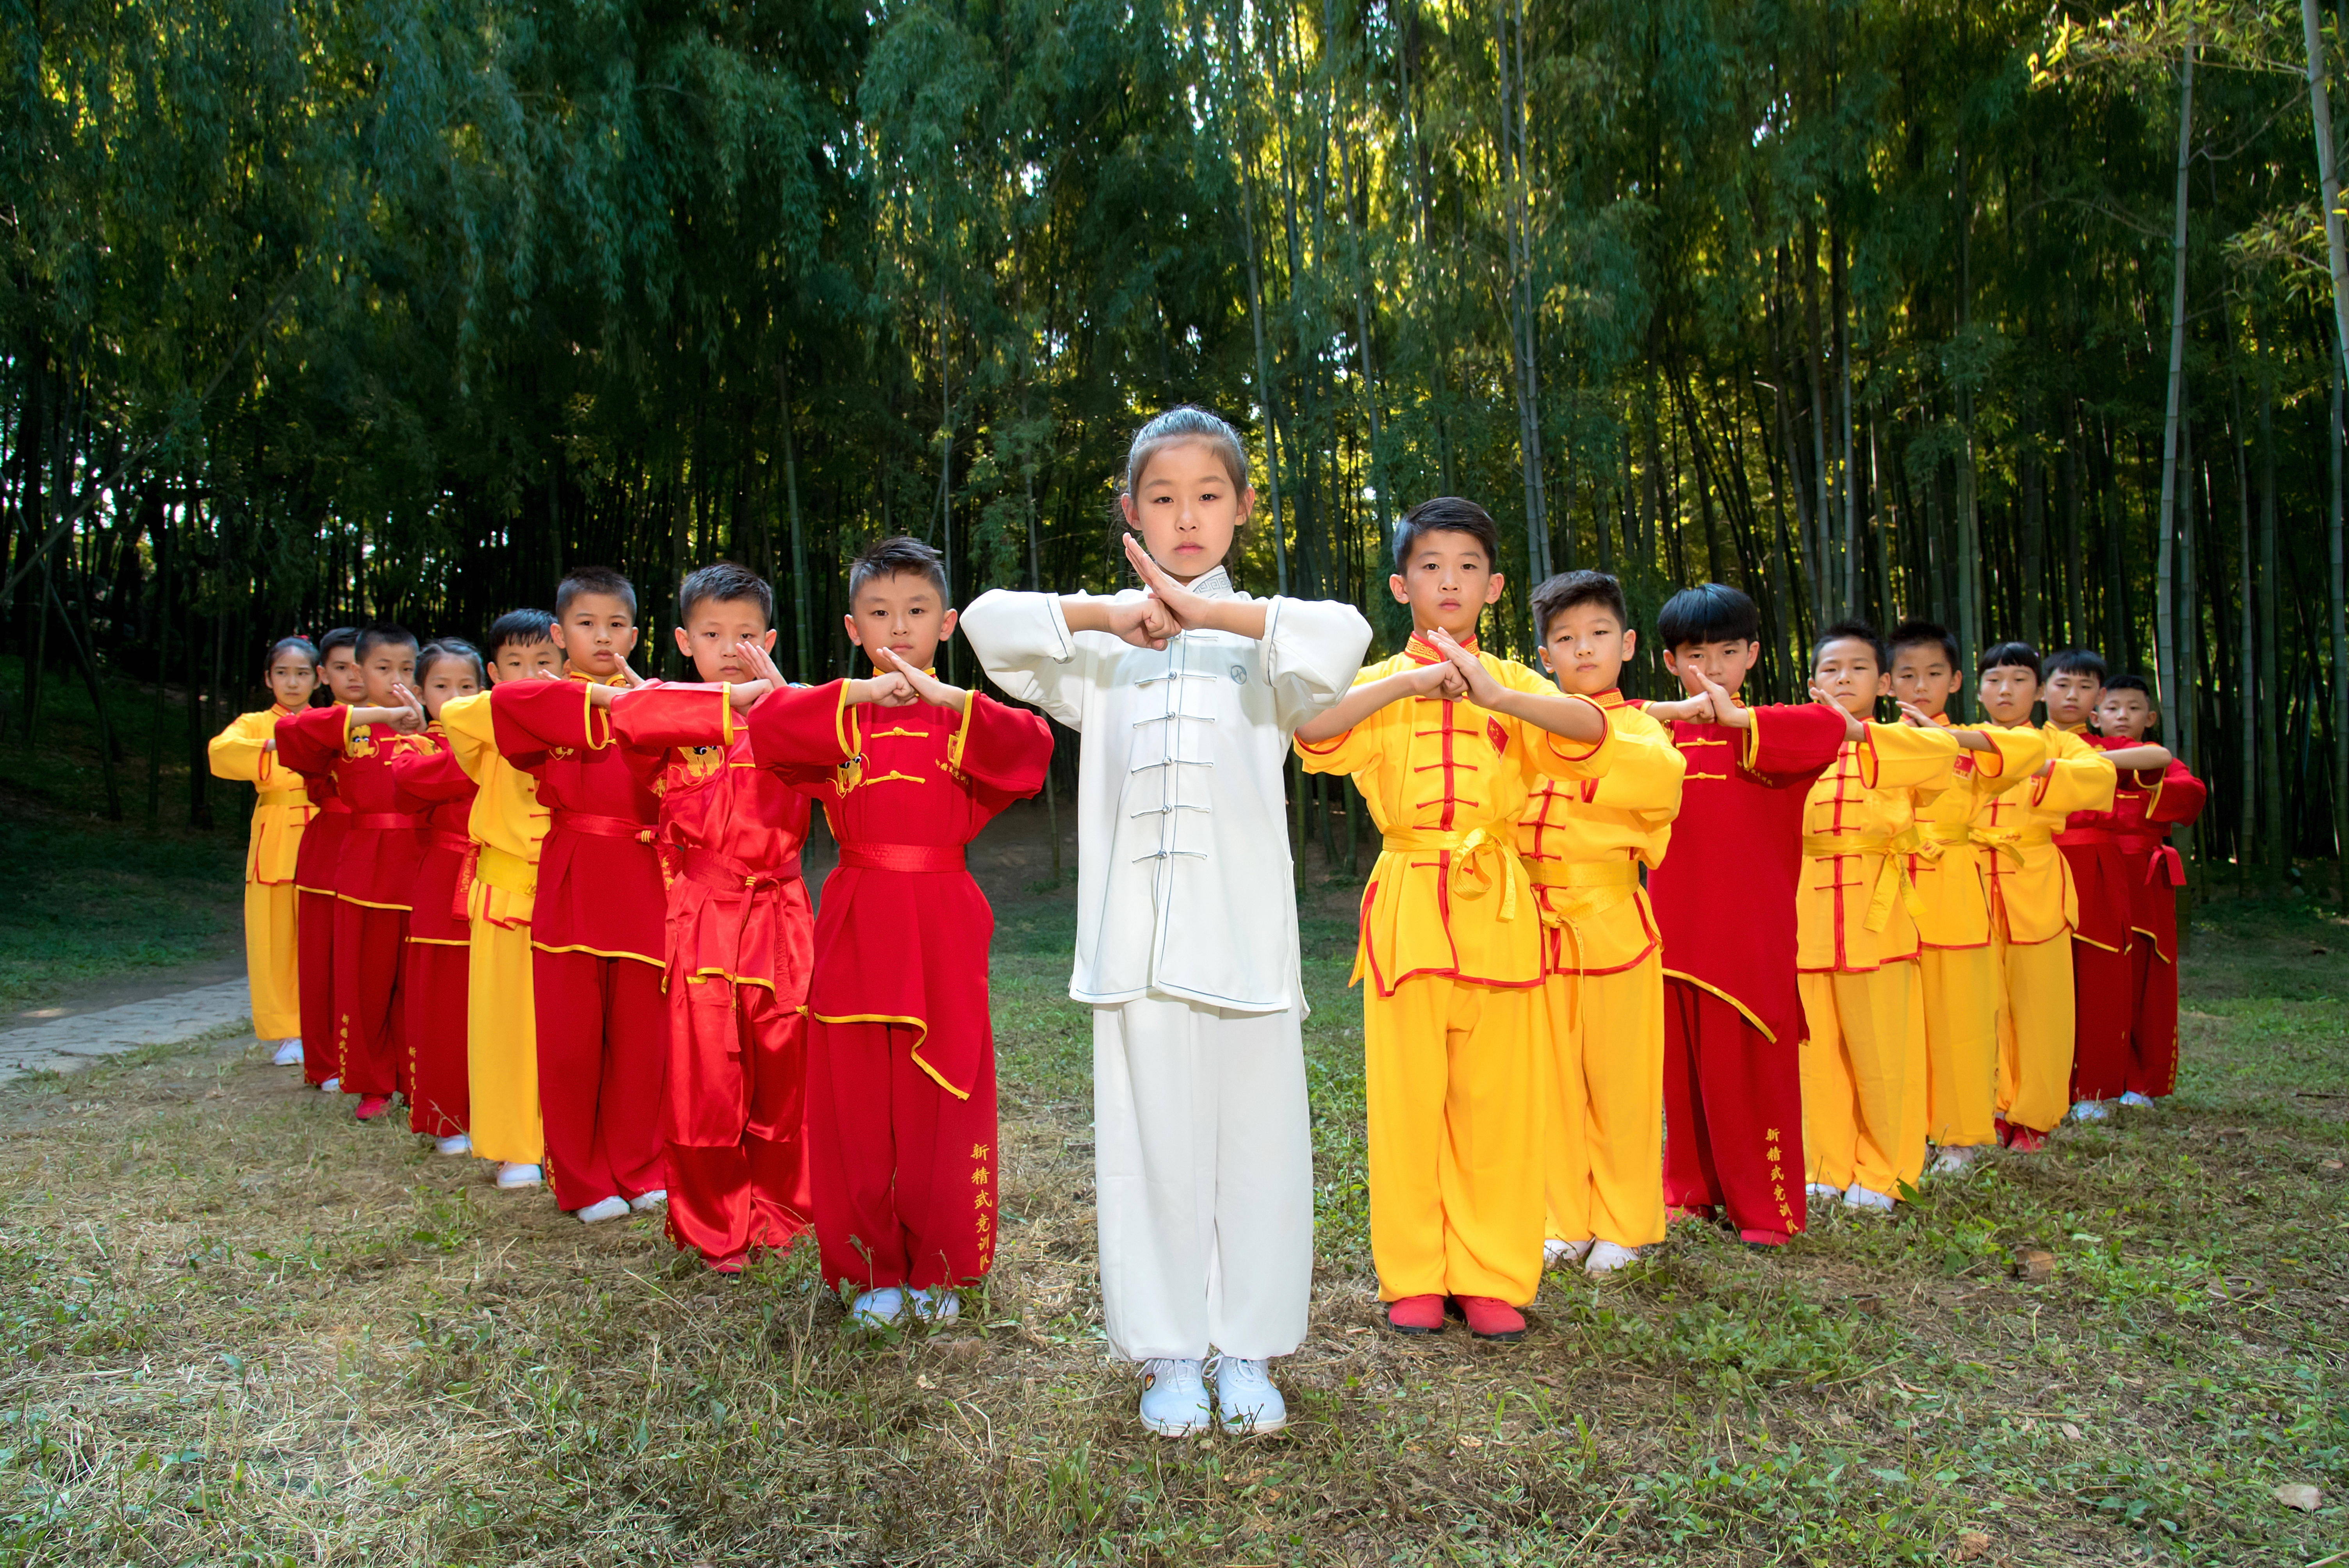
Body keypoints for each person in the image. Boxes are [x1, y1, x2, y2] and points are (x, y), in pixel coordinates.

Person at [964, 406, 1368, 1437]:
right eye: (1161, 496)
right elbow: (985, 623)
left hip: (1246, 945)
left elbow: (1344, 640)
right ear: (1129, 509)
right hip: (1135, 950)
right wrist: (1113, 614)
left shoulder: (1270, 638)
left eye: (1208, 495)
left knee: (1260, 1152)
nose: (1186, 516)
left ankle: (1248, 1349)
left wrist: (1211, 617)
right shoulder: (1103, 653)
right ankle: (1170, 1356)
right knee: (1149, 1155)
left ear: (1240, 507)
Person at [1294, 497, 1610, 1346]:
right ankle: (1414, 1275)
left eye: (1467, 566)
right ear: (1402, 585)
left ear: (1494, 586)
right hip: (1406, 901)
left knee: (1498, 1101)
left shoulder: (1517, 681)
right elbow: (1311, 734)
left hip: (1501, 907)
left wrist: (1497, 692)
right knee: (1407, 1102)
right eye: (1431, 565)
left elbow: (1590, 729)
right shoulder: (1372, 686)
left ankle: (1492, 1274)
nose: (1449, 580)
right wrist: (1404, 681)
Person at [740, 538, 1052, 1322]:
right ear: (852, 627)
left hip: (942, 916)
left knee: (943, 1094)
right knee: (852, 1100)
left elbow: (1033, 751)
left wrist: (946, 701)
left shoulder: (962, 722)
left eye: (916, 612)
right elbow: (771, 733)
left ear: (946, 623)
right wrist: (846, 697)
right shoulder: (841, 715)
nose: (899, 628)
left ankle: (939, 1268)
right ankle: (869, 1268)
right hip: (853, 913)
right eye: (879, 614)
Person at [589, 563, 819, 1274]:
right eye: (712, 634)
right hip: (704, 912)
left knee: (786, 1067)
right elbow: (630, 717)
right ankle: (716, 1223)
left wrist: (775, 698)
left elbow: (837, 736)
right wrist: (733, 700)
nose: (728, 647)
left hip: (781, 909)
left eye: (746, 634)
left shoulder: (793, 709)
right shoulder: (663, 709)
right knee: (705, 1080)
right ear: (684, 640)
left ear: (771, 638)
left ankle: (787, 1211)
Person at [1639, 584, 1848, 1245]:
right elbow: (1588, 720)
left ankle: (1765, 1209)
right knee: (1684, 1076)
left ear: (1754, 654)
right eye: (1697, 656)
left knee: (1752, 1074)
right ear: (1670, 662)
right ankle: (1690, 1192)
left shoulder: (1772, 730)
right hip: (1668, 936)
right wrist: (1661, 712)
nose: (1715, 670)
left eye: (1729, 652)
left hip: (1748, 939)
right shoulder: (1652, 738)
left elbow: (1835, 727)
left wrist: (1734, 720)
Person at [1511, 571, 1684, 1278]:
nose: (1584, 650)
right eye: (1565, 639)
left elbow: (1659, 783)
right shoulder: (1525, 726)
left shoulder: (1644, 731)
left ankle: (1626, 1222)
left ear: (1628, 643)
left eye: (1599, 635)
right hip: (1533, 920)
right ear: (1545, 654)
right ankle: (1564, 1215)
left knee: (1621, 1080)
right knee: (1548, 1078)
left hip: (1612, 920)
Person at [483, 568, 669, 1223]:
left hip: (647, 876)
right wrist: (612, 706)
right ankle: (584, 1181)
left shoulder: (657, 697)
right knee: (570, 1042)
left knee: (642, 1040)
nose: (603, 637)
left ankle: (641, 1166)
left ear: (637, 634)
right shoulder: (540, 698)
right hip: (572, 876)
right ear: (560, 635)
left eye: (617, 624)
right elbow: (509, 713)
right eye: (587, 625)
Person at [1791, 621, 1964, 1214]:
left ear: (1885, 682)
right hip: (1806, 916)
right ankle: (1821, 1164)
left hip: (1877, 918)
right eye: (1831, 669)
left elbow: (1944, 759)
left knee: (1883, 1053)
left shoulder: (1906, 738)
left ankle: (1887, 1170)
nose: (1844, 678)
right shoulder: (1795, 743)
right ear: (1812, 682)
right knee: (1816, 1053)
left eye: (1859, 668)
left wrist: (1859, 733)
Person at [1885, 621, 2046, 1175]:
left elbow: (2028, 750)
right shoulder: (1874, 742)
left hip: (1952, 885)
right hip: (1887, 889)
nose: (1921, 686)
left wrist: (1947, 738)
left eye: (1934, 674)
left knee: (1958, 1015)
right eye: (1907, 675)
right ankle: (1899, 1129)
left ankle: (1957, 1137)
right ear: (1887, 682)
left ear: (1956, 680)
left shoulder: (1978, 740)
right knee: (1896, 1020)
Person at [1971, 643, 2126, 1151]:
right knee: (1983, 1003)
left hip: (2034, 876)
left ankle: (2035, 1116)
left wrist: (2032, 768)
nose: (2005, 691)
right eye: (1994, 680)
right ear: (1977, 690)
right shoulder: (1959, 741)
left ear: (2038, 691)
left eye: (2018, 680)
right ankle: (1990, 1105)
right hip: (1969, 878)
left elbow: (2100, 777)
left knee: (2043, 1005)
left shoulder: (2059, 743)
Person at [273, 623, 428, 1121]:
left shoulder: (437, 729)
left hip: (421, 866)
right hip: (364, 870)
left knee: (415, 987)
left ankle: (418, 1079)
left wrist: (420, 726)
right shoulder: (348, 726)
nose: (397, 679)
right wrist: (381, 713)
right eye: (384, 669)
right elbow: (293, 734)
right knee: (362, 985)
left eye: (407, 669)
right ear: (359, 673)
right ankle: (371, 1081)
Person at [437, 612, 562, 1192]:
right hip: (507, 888)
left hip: (570, 889)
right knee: (505, 1023)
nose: (532, 676)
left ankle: (569, 1141)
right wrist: (529, 701)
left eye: (545, 664)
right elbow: (453, 712)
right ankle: (515, 1144)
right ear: (492, 673)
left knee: (568, 1026)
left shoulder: (587, 722)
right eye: (515, 666)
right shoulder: (481, 721)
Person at [2040, 648, 2150, 1123]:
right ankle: (2042, 1083)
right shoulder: (2022, 740)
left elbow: (2161, 757)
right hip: (2036, 863)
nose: (2072, 696)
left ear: (2099, 698)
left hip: (2097, 865)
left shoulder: (2108, 748)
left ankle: (2095, 1087)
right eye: (2062, 685)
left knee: (2101, 975)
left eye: (2085, 688)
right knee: (2040, 979)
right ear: (2042, 689)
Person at [2086, 674, 2207, 1103]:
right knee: (2095, 982)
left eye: (2133, 708)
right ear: (2095, 715)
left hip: (2144, 878)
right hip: (2093, 875)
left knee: (2146, 979)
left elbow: (2191, 794)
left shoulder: (2161, 762)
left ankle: (2142, 1082)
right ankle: (2090, 1080)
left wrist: (2145, 780)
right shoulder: (2080, 752)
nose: (2123, 716)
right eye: (2113, 708)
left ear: (2150, 717)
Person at [385, 641, 486, 1154]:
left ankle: (494, 1112)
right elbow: (407, 783)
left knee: (490, 1008)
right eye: (442, 687)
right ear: (420, 693)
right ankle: (446, 1115)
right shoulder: (414, 745)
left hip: (496, 883)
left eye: (467, 687)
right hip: (444, 878)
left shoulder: (498, 737)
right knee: (442, 1005)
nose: (454, 697)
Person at [207, 636, 320, 1064]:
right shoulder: (254, 722)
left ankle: (322, 1024)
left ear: (318, 677)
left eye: (302, 673)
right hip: (275, 835)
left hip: (320, 830)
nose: (292, 683)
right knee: (274, 936)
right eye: (283, 673)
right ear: (268, 678)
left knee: (317, 936)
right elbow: (221, 753)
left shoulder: (331, 720)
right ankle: (287, 1031)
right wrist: (276, 743)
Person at [292, 627, 364, 1092]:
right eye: (342, 667)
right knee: (322, 963)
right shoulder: (318, 724)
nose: (354, 676)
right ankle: (324, 1060)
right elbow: (292, 737)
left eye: (366, 666)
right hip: (328, 850)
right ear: (323, 675)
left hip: (386, 853)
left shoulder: (409, 725)